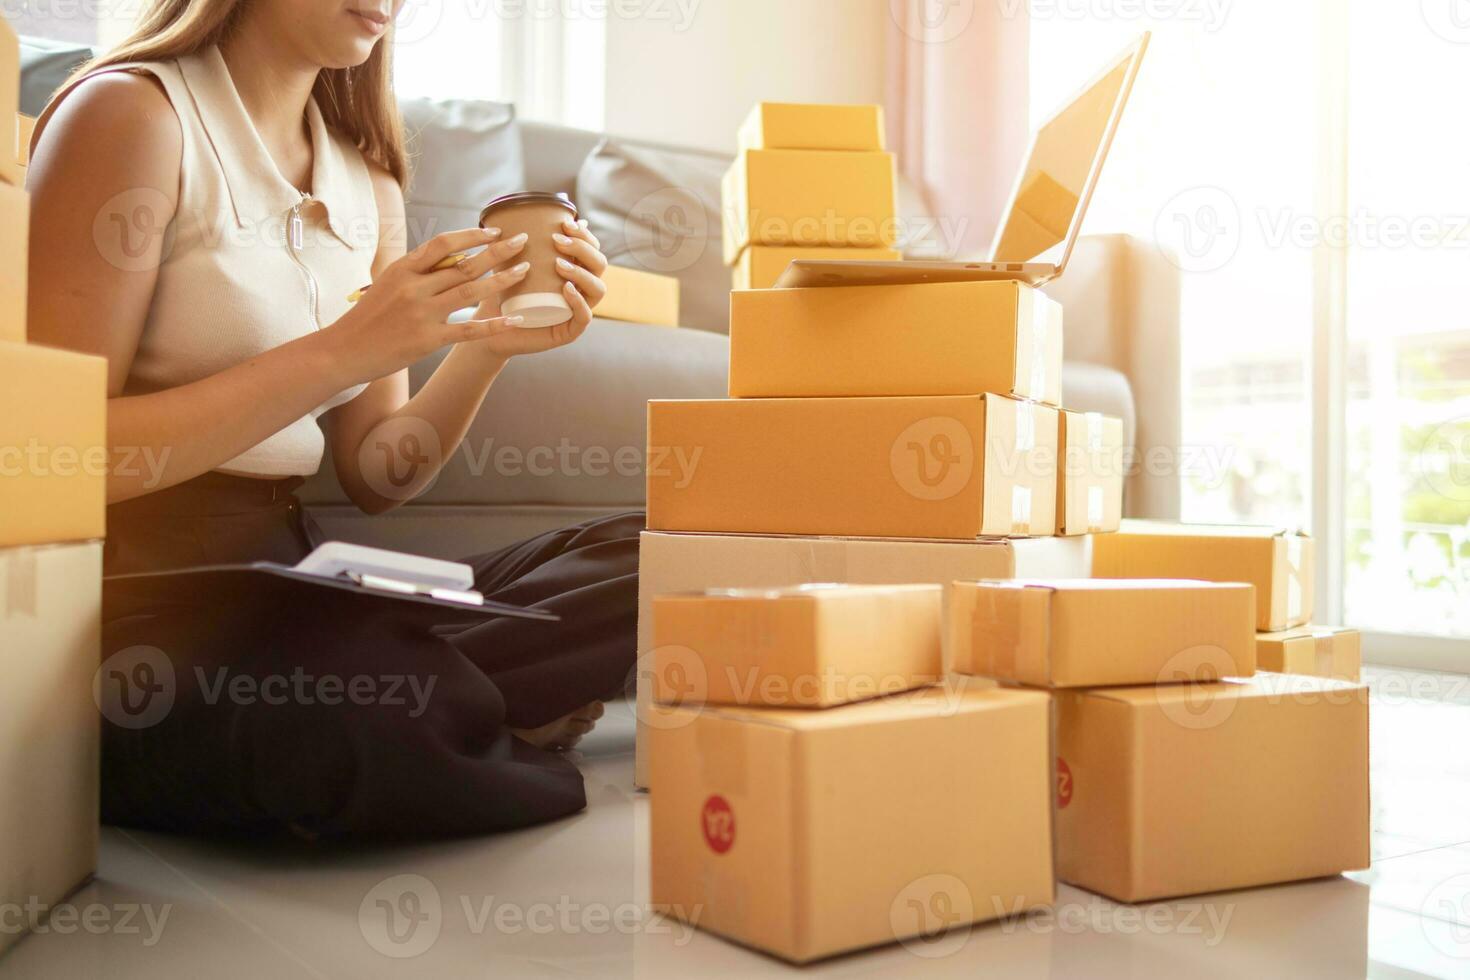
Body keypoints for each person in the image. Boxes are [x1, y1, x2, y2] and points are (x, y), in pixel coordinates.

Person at [26, 0, 641, 839]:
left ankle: (441, 700)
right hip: (148, 599)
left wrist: (486, 346)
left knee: (654, 556)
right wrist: (342, 350)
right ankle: (452, 701)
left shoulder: (368, 180)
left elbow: (379, 473)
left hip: (300, 578)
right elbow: (51, 456)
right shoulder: (132, 114)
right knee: (341, 711)